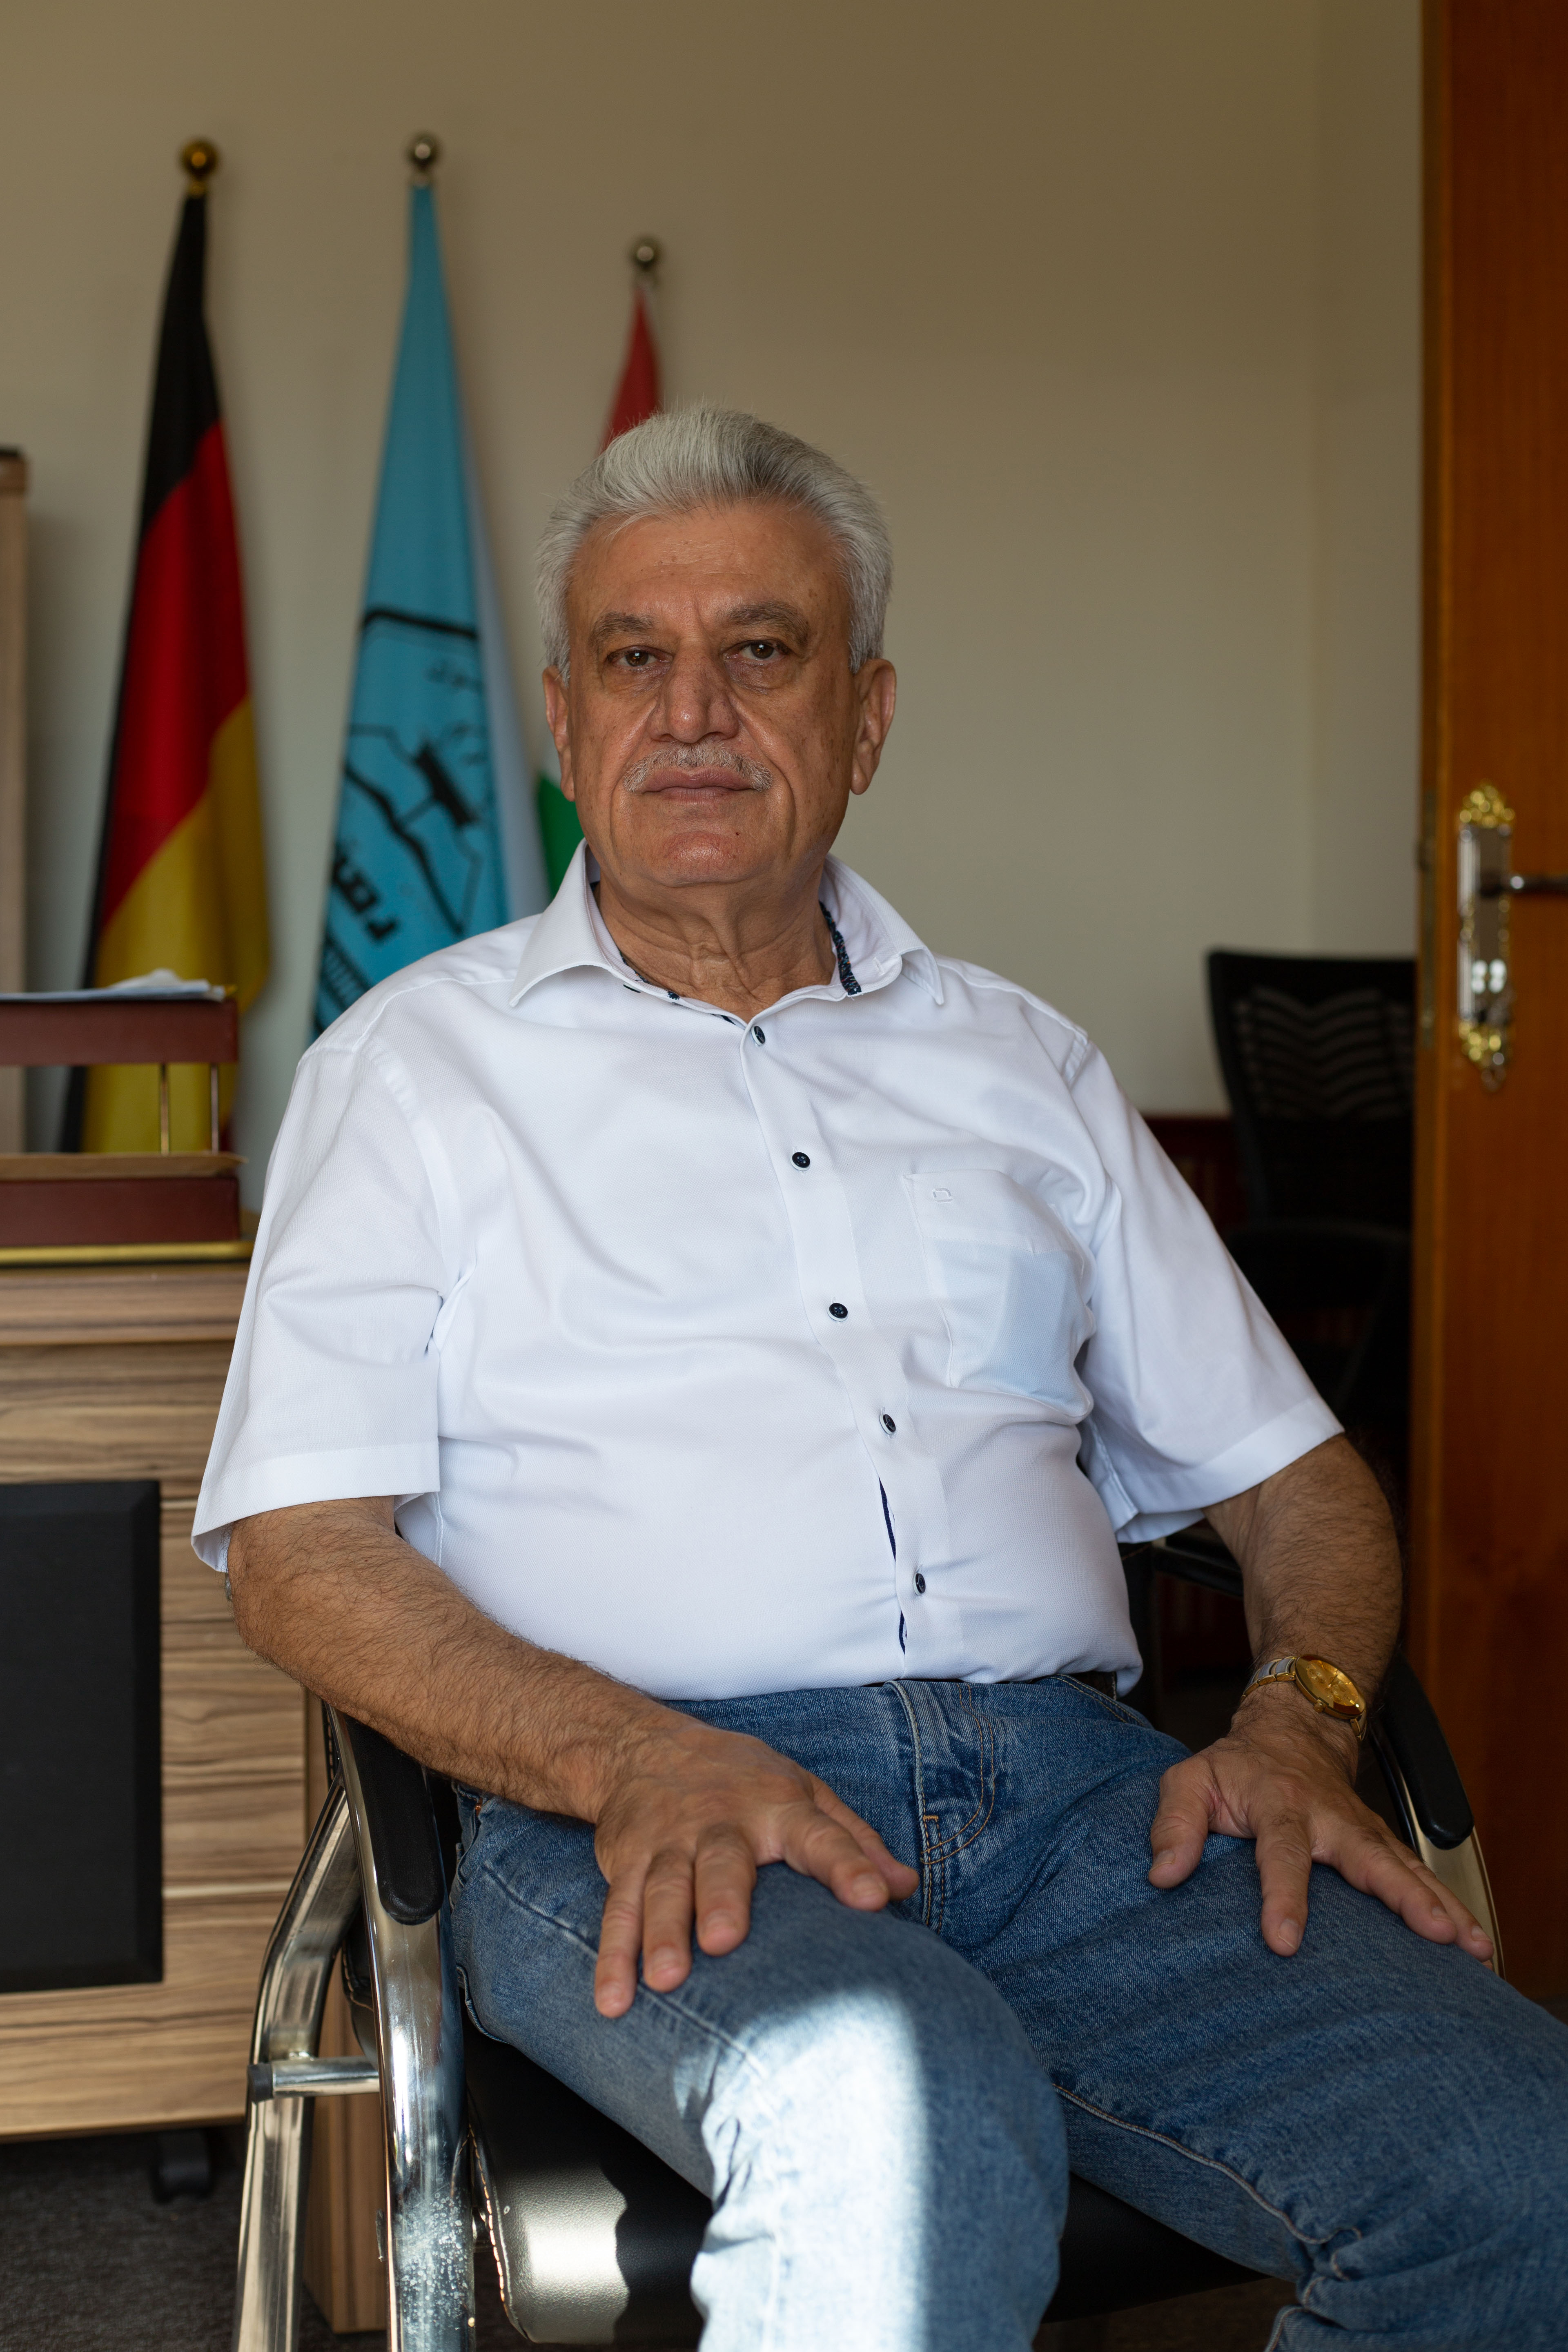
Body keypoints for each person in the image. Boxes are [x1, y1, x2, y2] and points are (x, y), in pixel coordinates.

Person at [199, 407, 1567, 2350]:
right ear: (565, 721)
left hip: (1096, 1813)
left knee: (1529, 2165)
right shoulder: (412, 1074)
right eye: (632, 658)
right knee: (903, 2120)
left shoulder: (1026, 1066)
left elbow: (1297, 1487)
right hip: (639, 1798)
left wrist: (1301, 1715)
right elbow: (299, 1554)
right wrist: (630, 1755)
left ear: (866, 716)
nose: (694, 710)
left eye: (762, 652)